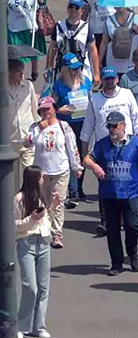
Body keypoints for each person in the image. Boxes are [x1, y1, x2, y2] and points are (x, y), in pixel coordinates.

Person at [82, 109, 138, 274]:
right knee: (112, 229)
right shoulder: (102, 144)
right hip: (109, 194)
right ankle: (116, 262)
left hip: (131, 192)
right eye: (109, 127)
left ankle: (133, 254)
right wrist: (95, 166)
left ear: (123, 126)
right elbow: (86, 159)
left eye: (114, 126)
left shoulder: (137, 144)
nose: (111, 130)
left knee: (132, 226)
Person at [24, 97, 79, 249]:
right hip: (42, 173)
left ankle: (57, 234)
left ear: (54, 109)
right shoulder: (35, 127)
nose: (46, 112)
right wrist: (40, 129)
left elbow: (72, 147)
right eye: (42, 110)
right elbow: (27, 143)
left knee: (58, 202)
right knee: (44, 202)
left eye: (48, 109)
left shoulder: (63, 126)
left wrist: (76, 167)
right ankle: (43, 229)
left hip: (60, 169)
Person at [16, 165, 52, 338]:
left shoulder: (40, 196)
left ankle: (39, 326)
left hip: (43, 241)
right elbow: (14, 224)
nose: (43, 178)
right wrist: (31, 219)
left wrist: (53, 206)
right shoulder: (19, 199)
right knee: (30, 286)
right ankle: (21, 325)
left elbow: (45, 219)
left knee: (43, 287)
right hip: (26, 242)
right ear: (33, 178)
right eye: (41, 176)